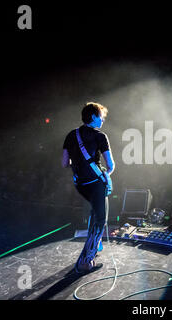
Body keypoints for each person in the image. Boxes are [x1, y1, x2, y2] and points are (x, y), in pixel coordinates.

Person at [62, 102, 115, 273]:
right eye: (101, 117)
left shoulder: (71, 135)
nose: (102, 121)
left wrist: (79, 165)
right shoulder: (100, 136)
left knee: (94, 211)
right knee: (101, 219)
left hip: (80, 185)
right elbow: (111, 165)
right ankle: (86, 261)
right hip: (96, 184)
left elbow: (64, 163)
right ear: (92, 117)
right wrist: (105, 174)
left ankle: (96, 242)